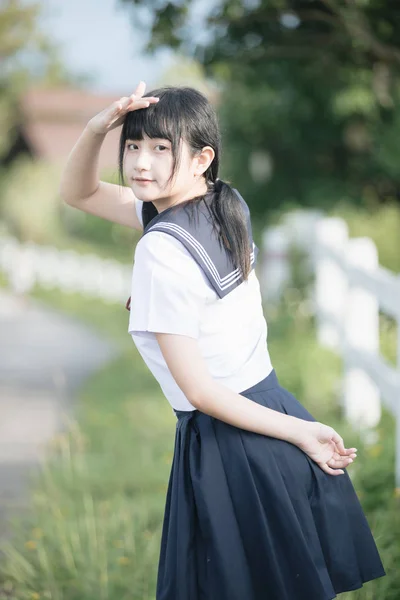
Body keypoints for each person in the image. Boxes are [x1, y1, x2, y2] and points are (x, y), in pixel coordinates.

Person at [59, 81, 386, 600]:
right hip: (268, 412)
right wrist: (100, 127)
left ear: (200, 158)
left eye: (161, 148)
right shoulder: (221, 205)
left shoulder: (162, 250)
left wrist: (300, 433)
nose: (141, 162)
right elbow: (79, 193)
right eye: (133, 146)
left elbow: (201, 392)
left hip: (229, 441)